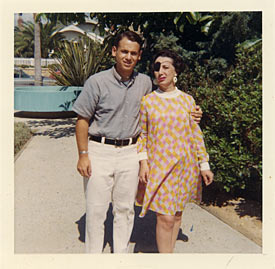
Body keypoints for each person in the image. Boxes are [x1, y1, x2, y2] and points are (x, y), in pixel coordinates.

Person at [72, 31, 203, 253]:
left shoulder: (144, 83)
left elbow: (166, 101)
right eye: (124, 51)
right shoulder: (97, 82)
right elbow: (82, 120)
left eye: (133, 53)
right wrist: (83, 154)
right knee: (96, 210)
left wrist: (194, 112)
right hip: (99, 151)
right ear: (114, 51)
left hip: (130, 152)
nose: (128, 57)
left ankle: (121, 256)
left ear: (139, 55)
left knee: (124, 209)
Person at [137, 49, 214, 253]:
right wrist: (143, 162)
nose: (160, 71)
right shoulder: (148, 101)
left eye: (165, 67)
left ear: (175, 71)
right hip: (159, 168)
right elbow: (142, 135)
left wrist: (204, 165)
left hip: (184, 168)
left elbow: (195, 134)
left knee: (177, 215)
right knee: (165, 217)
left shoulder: (188, 101)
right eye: (156, 67)